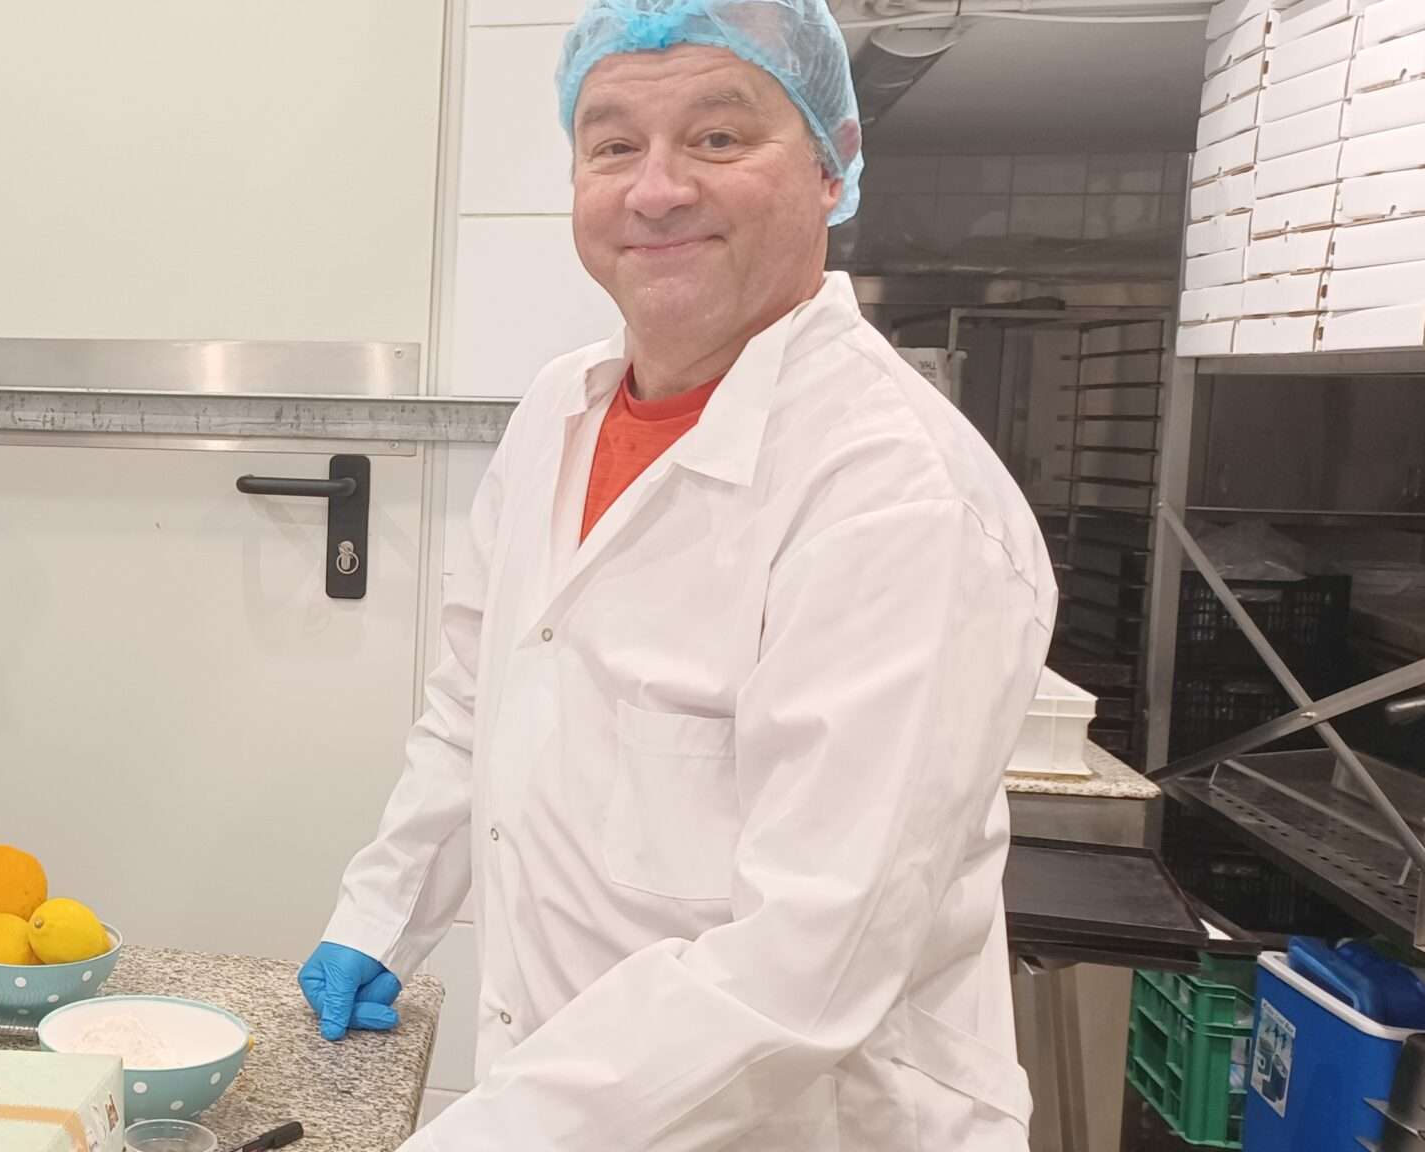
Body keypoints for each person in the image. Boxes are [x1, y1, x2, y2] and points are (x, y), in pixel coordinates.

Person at [295, 0, 1056, 1146]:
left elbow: (803, 969)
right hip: (565, 1100)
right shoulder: (558, 412)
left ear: (832, 165)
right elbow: (474, 705)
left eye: (716, 136)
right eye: (613, 144)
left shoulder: (898, 497)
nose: (655, 191)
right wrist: (382, 912)